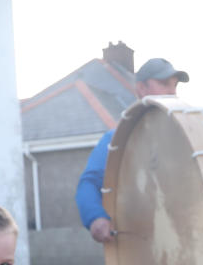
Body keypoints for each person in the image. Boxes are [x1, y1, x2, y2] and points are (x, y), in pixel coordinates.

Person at [75, 57, 189, 244]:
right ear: (141, 89)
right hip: (140, 245)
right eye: (164, 84)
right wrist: (95, 217)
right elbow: (89, 183)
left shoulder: (188, 135)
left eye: (175, 86)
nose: (172, 92)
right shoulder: (117, 140)